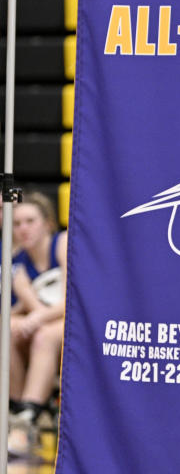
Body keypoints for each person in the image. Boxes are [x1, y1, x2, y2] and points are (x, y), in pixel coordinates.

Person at [8, 192, 67, 456]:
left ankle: (29, 414)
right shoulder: (17, 261)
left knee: (44, 334)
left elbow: (72, 300)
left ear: (47, 223)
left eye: (30, 221)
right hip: (43, 317)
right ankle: (17, 410)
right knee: (6, 328)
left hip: (72, 320)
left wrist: (34, 314)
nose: (23, 229)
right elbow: (22, 309)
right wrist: (23, 302)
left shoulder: (62, 243)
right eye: (17, 223)